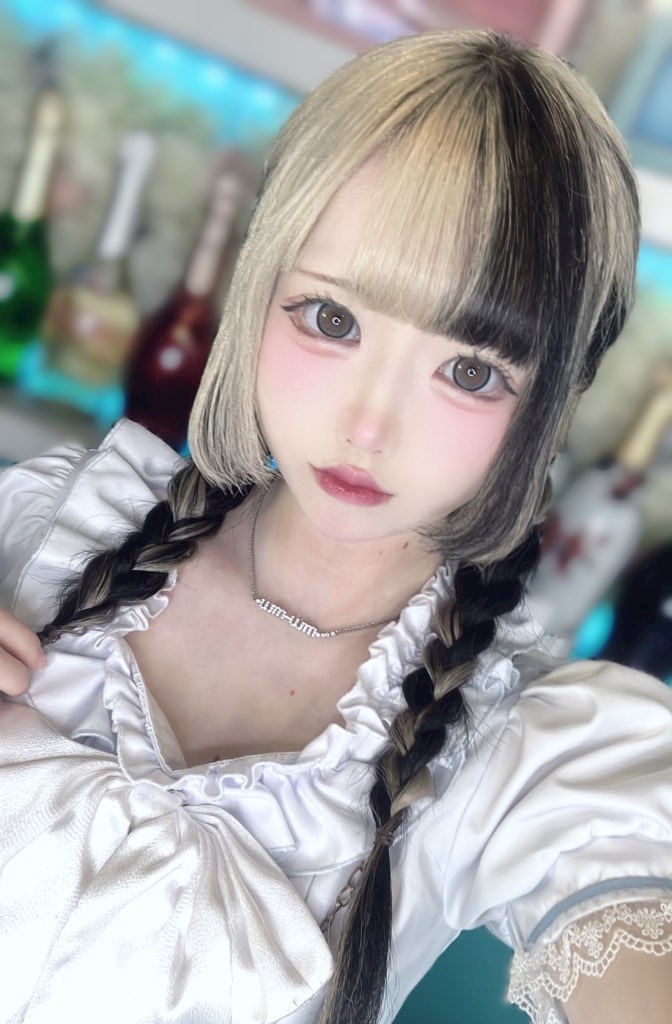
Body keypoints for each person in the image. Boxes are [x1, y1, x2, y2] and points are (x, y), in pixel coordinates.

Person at [0, 28, 671, 1024]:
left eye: (470, 371)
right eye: (332, 319)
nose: (369, 426)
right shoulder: (45, 526)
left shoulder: (517, 752)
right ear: (260, 283)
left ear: (551, 402)